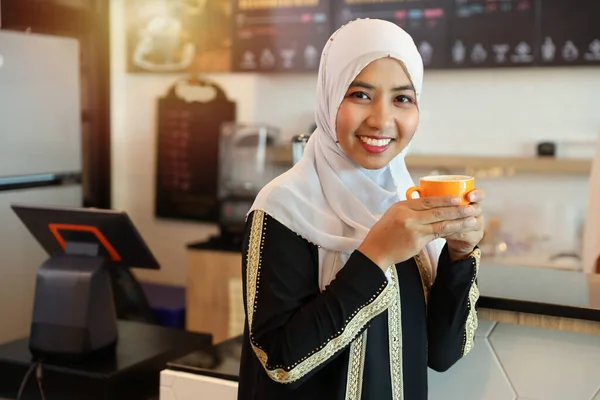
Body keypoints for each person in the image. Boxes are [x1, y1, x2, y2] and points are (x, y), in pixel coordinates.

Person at [237, 18, 485, 400]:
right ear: (329, 97)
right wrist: (376, 255)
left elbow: (443, 353)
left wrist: (460, 253)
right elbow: (280, 361)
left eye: (402, 98)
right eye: (360, 94)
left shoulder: (408, 205)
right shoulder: (284, 207)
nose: (382, 120)